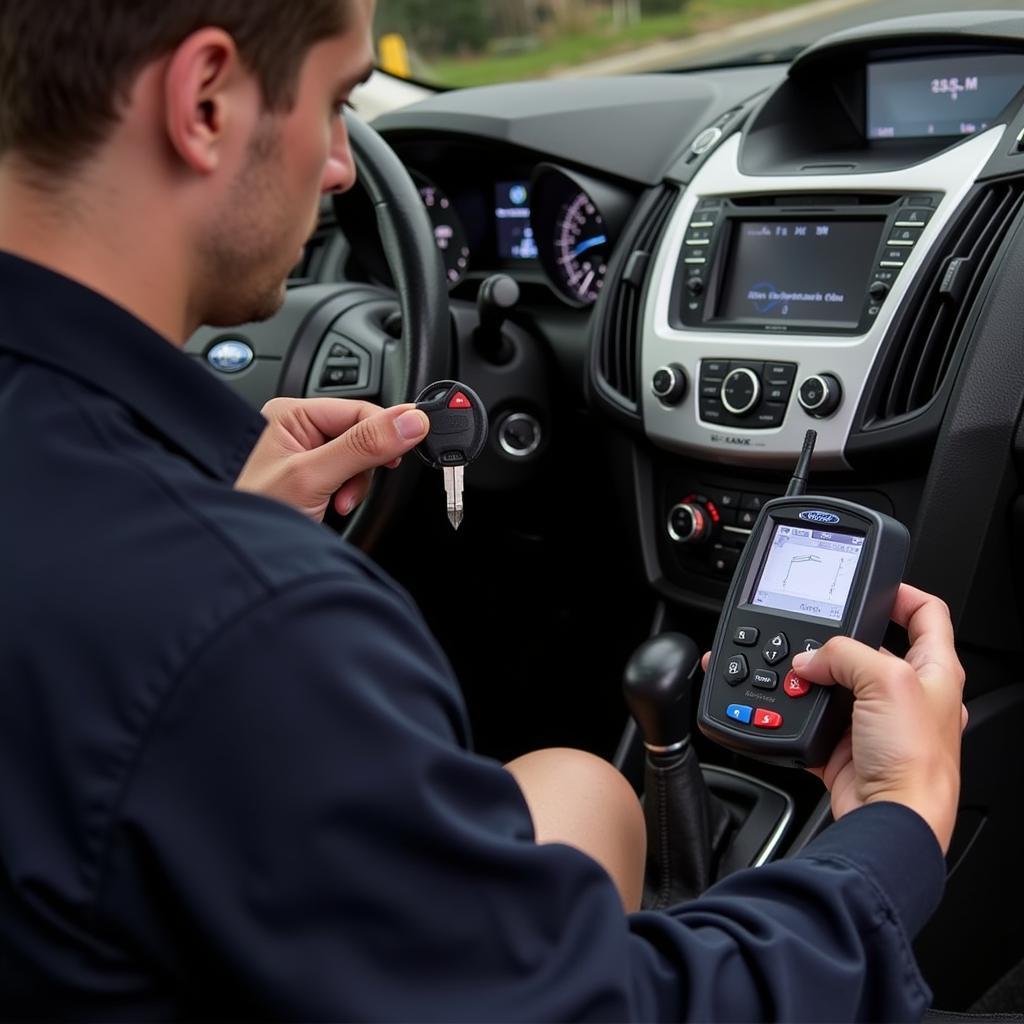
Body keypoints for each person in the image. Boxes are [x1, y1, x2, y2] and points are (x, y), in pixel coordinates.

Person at [0, 0, 966, 1019]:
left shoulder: (152, 545)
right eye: (335, 104)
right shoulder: (247, 625)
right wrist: (894, 824)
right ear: (202, 102)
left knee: (577, 784)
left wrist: (230, 533)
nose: (339, 166)